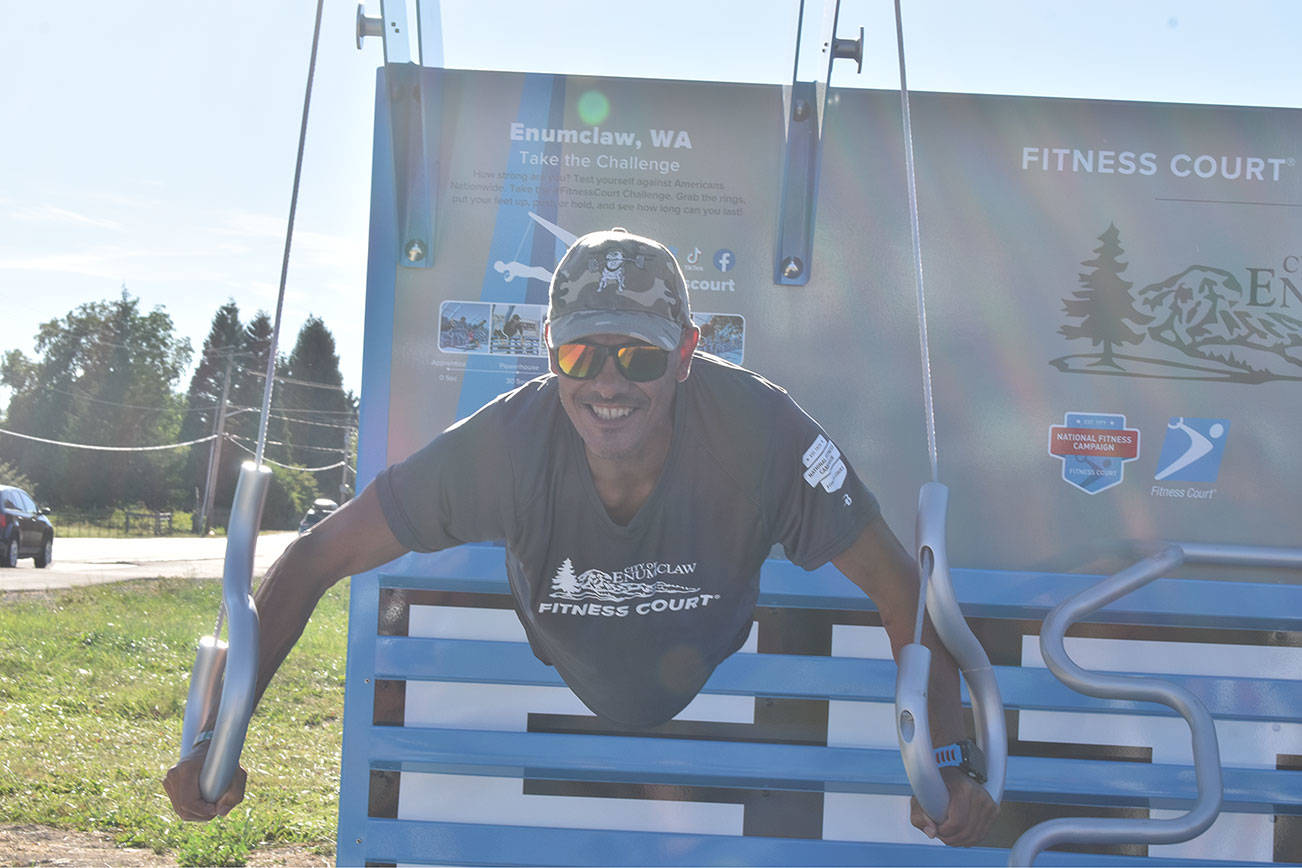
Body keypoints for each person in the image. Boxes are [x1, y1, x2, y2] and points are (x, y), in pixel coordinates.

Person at [165, 227, 998, 846]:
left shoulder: (762, 435)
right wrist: (216, 733)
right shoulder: (504, 448)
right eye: (580, 355)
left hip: (701, 646)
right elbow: (317, 557)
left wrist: (948, 754)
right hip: (562, 644)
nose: (607, 384)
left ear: (685, 355)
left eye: (637, 358)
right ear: (548, 352)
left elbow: (902, 589)